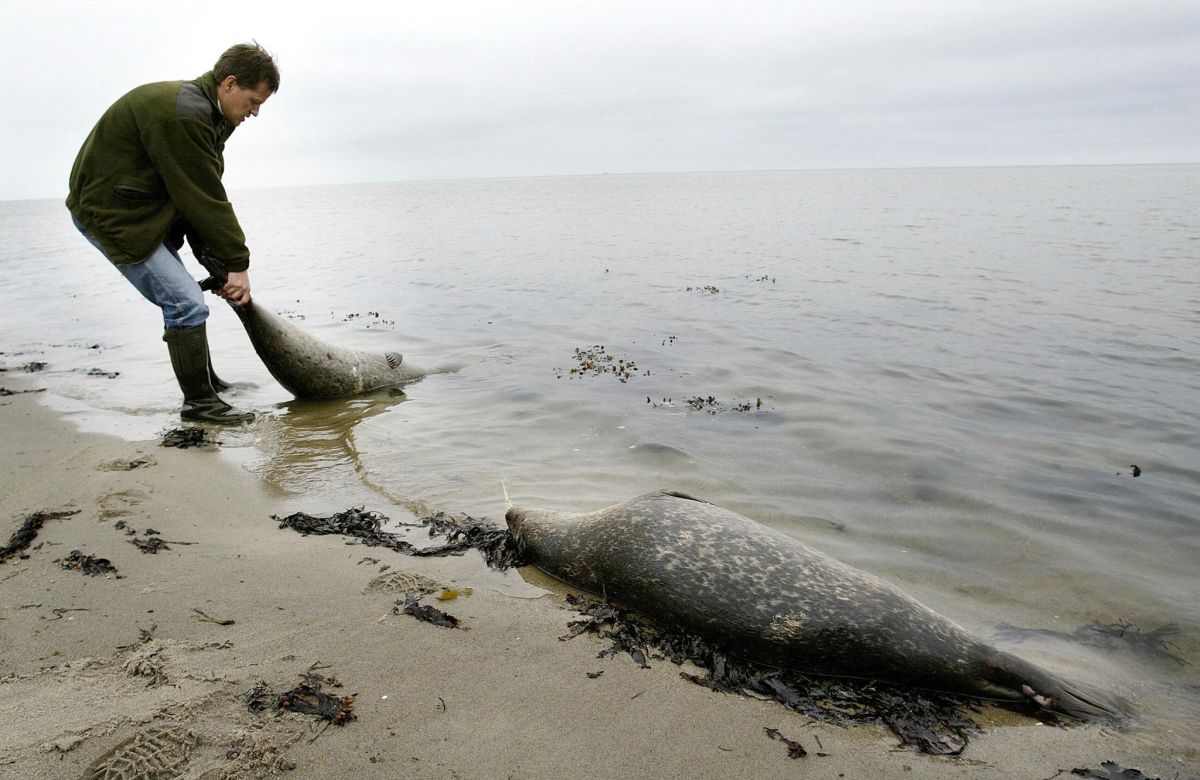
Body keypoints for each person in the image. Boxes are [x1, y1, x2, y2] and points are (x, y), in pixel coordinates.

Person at [66, 42, 280, 424]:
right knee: (185, 303)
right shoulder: (186, 115)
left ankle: (207, 384)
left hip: (143, 208)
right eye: (252, 101)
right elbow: (203, 197)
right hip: (114, 215)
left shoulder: (210, 117)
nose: (255, 112)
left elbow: (194, 191)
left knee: (185, 297)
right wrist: (236, 264)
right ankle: (199, 405)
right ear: (229, 83)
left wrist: (214, 263)